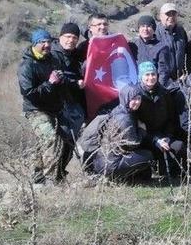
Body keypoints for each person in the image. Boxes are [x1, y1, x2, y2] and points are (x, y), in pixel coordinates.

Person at [18, 29, 81, 183]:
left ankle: (47, 176)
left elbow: (61, 79)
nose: (46, 45)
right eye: (42, 42)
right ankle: (51, 181)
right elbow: (29, 93)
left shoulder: (53, 59)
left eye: (49, 42)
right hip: (36, 110)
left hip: (56, 108)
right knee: (50, 139)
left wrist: (75, 83)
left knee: (67, 141)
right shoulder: (26, 66)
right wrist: (50, 83)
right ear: (35, 44)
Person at [81, 84, 153, 180]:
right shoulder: (124, 118)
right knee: (147, 155)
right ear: (126, 98)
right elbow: (132, 144)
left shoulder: (118, 109)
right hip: (110, 165)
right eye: (134, 99)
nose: (137, 102)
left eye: (139, 98)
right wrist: (142, 130)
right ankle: (117, 177)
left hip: (101, 161)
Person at [135, 61, 183, 175]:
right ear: (141, 76)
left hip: (163, 136)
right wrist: (156, 140)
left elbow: (171, 119)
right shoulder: (136, 96)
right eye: (147, 74)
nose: (150, 77)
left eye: (153, 74)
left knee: (179, 146)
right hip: (145, 139)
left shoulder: (164, 93)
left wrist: (167, 137)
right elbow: (139, 126)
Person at [130, 15, 174, 89]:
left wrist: (158, 90)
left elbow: (163, 72)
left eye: (149, 26)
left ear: (153, 29)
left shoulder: (162, 47)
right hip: (136, 88)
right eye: (142, 26)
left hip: (154, 87)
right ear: (139, 28)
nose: (145, 29)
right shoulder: (133, 45)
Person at [51, 22, 86, 110]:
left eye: (75, 38)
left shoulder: (75, 55)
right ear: (60, 37)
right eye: (68, 36)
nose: (71, 40)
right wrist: (75, 83)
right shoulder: (51, 54)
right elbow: (56, 77)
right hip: (55, 101)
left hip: (72, 101)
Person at [156, 3, 188, 85]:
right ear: (160, 16)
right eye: (167, 14)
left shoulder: (181, 31)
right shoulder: (155, 33)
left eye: (173, 14)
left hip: (180, 79)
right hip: (161, 81)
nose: (171, 17)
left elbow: (186, 51)